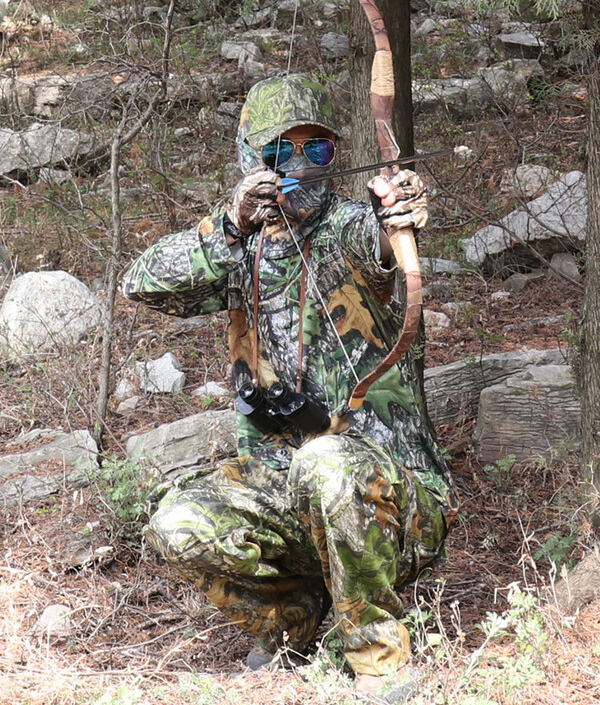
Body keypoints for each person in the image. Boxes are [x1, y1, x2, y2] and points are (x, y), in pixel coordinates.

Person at [122, 73, 458, 702]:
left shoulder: (347, 229)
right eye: (279, 153)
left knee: (328, 461)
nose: (300, 166)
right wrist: (229, 223)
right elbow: (140, 283)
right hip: (286, 495)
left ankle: (380, 659)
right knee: (178, 520)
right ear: (250, 162)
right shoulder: (237, 244)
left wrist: (400, 215)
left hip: (394, 501)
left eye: (318, 151)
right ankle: (291, 621)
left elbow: (382, 239)